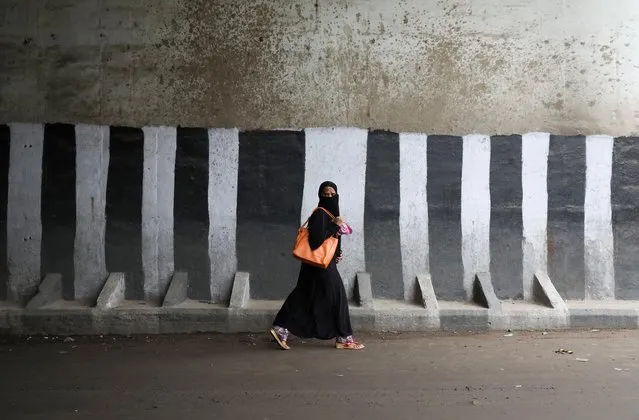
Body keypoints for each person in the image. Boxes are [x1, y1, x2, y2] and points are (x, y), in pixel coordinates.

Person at [269, 181, 364, 350]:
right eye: (325, 194)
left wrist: (336, 253)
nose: (328, 196)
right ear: (320, 196)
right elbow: (316, 242)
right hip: (321, 266)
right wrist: (335, 224)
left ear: (337, 195)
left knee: (304, 294)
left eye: (332, 194)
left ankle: (281, 328)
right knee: (338, 296)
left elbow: (329, 239)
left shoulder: (328, 215)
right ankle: (344, 338)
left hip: (317, 263)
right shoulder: (320, 214)